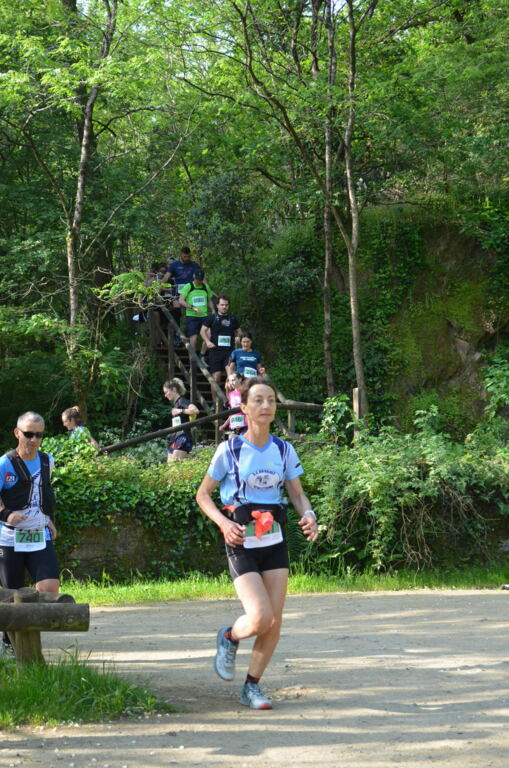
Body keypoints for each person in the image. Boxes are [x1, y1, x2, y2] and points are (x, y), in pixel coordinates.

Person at [196, 378, 318, 710]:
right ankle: (230, 636)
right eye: (258, 400)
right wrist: (223, 524)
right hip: (240, 539)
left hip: (274, 539)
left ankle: (251, 686)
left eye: (271, 400)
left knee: (274, 620)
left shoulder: (284, 450)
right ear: (244, 407)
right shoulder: (229, 450)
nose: (266, 406)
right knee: (261, 617)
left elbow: (297, 494)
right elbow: (203, 495)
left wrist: (309, 515)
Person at [0, 412, 59, 658]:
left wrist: (49, 520)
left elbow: (43, 493)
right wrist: (6, 514)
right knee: (12, 595)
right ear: (17, 433)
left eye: (39, 435)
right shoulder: (4, 464)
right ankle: (9, 642)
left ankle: (30, 639)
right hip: (9, 538)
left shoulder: (47, 461)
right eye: (28, 434)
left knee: (49, 588)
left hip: (39, 535)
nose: (33, 440)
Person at [200, 296, 241, 399]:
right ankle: (215, 402)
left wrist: (238, 337)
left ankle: (230, 402)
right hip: (215, 351)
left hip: (229, 352)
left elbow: (239, 332)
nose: (224, 307)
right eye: (222, 305)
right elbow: (202, 331)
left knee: (231, 377)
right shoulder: (212, 318)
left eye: (226, 305)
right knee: (216, 378)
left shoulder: (232, 318)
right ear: (217, 305)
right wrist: (207, 342)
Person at [163, 378, 199, 462]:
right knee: (170, 465)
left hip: (183, 437)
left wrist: (180, 410)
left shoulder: (182, 401)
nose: (165, 395)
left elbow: (195, 410)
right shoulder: (176, 404)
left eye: (166, 392)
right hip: (174, 438)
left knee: (174, 465)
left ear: (174, 390)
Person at [179, 269, 215, 350]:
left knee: (209, 335)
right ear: (194, 278)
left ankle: (202, 354)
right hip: (192, 316)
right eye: (197, 279)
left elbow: (209, 300)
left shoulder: (206, 287)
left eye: (200, 280)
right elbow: (181, 300)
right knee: (193, 339)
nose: (199, 281)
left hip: (204, 316)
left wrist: (213, 310)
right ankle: (192, 357)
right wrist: (193, 308)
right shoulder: (188, 286)